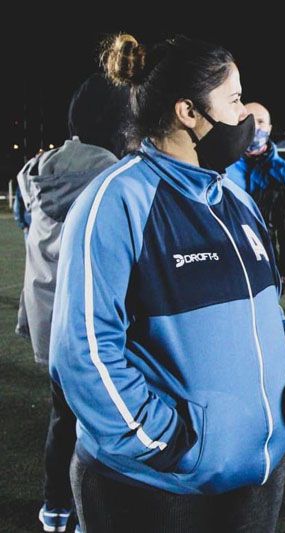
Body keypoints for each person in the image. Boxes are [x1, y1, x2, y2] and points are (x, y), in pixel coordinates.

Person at [49, 33, 285, 532]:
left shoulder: (236, 201)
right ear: (188, 112)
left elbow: (268, 311)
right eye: (235, 100)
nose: (246, 117)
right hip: (157, 489)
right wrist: (170, 442)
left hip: (257, 476)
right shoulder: (116, 200)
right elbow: (83, 352)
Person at [17, 74, 130, 533]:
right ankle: (87, 511)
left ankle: (55, 505)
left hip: (48, 321)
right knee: (102, 425)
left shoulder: (40, 168)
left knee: (64, 416)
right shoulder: (111, 174)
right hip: (87, 323)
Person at [226, 102, 285, 293]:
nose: (255, 126)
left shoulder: (282, 171)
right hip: (226, 255)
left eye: (261, 121)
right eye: (248, 120)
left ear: (269, 128)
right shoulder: (220, 163)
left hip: (265, 258)